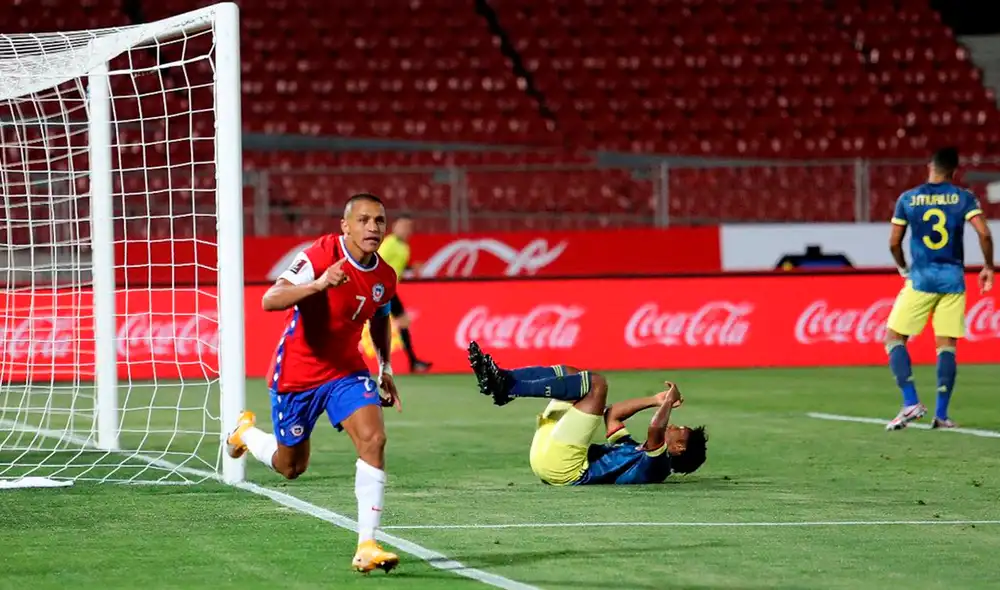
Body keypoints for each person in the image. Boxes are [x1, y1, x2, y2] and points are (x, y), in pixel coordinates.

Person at [226, 193, 403, 573]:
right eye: (364, 220)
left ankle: (367, 544)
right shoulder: (321, 255)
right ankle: (247, 435)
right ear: (346, 225)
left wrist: (384, 366)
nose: (373, 228)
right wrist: (320, 284)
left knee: (374, 439)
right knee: (291, 467)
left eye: (379, 221)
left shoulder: (385, 276)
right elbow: (270, 300)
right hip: (298, 374)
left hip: (345, 371)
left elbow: (379, 318)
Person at [467, 341, 707, 486]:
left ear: (679, 449)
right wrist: (654, 400)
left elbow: (655, 428)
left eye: (679, 431)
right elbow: (612, 415)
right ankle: (503, 379)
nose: (673, 427)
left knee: (597, 385)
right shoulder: (635, 451)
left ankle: (509, 387)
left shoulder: (657, 466)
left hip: (566, 470)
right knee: (574, 375)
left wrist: (667, 403)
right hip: (550, 460)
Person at [885, 147, 994, 431]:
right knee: (946, 346)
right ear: (954, 170)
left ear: (930, 166)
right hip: (952, 280)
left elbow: (894, 242)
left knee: (894, 337)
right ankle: (942, 415)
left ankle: (910, 402)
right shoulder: (964, 197)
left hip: (921, 278)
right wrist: (988, 266)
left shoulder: (908, 198)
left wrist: (902, 268)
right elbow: (983, 232)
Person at [377, 215, 432, 373]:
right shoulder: (390, 243)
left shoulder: (404, 247)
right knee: (399, 322)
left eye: (408, 227)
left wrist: (410, 268)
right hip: (381, 289)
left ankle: (413, 362)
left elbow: (398, 267)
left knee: (403, 322)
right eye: (402, 226)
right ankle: (412, 362)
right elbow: (376, 262)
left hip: (390, 289)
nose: (405, 230)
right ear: (395, 227)